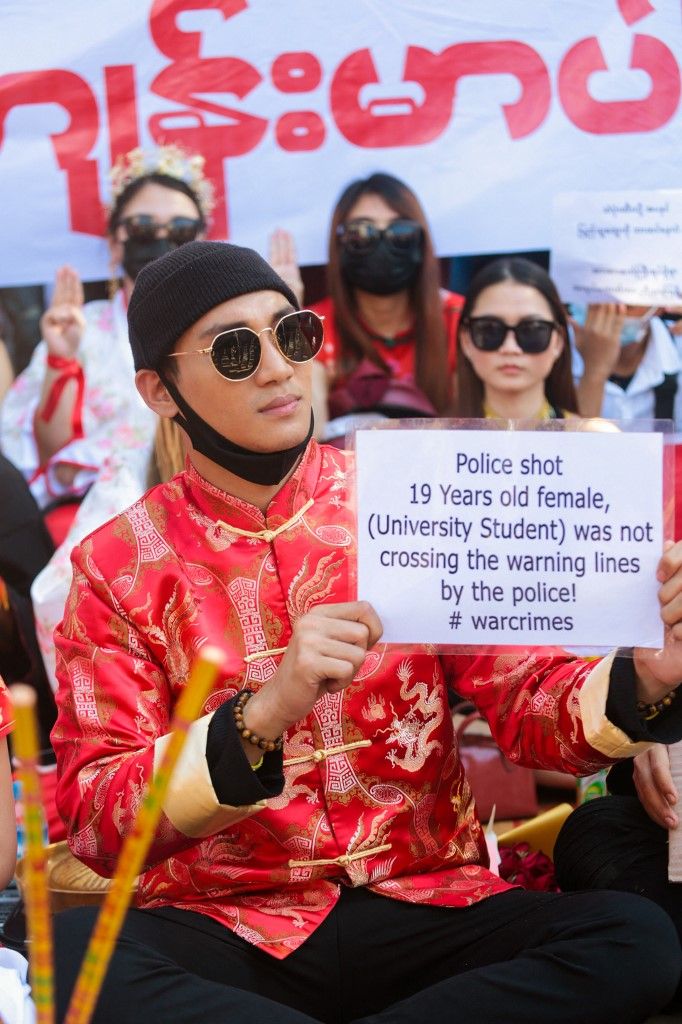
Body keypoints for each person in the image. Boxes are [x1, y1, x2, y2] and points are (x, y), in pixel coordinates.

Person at [51, 241, 682, 1024]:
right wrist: (259, 717)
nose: (281, 369)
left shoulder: (407, 494)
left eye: (293, 334)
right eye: (238, 350)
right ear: (160, 390)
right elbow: (98, 822)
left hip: (426, 902)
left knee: (635, 938)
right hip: (233, 925)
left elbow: (528, 701)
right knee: (77, 966)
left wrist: (644, 677)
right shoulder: (116, 565)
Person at [0, 144, 212, 520]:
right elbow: (50, 451)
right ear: (115, 243)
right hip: (98, 517)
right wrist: (61, 358)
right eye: (143, 228)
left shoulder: (224, 330)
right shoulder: (84, 328)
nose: (162, 240)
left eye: (180, 229)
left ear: (202, 240)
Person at [272, 173, 462, 444]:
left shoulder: (459, 320)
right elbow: (307, 436)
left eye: (400, 233)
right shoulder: (314, 326)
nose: (382, 246)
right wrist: (288, 316)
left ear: (422, 244)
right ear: (339, 246)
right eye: (362, 233)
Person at [456, 257, 578, 420]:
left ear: (558, 341)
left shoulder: (594, 440)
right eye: (490, 330)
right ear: (466, 340)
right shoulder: (431, 441)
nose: (510, 348)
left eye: (532, 330)